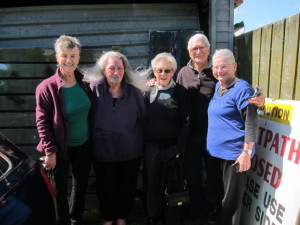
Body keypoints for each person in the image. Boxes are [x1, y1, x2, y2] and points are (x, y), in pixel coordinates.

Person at [175, 33, 264, 224]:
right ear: (188, 52)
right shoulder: (185, 73)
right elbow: (176, 96)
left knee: (218, 184)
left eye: (202, 47)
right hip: (195, 138)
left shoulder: (223, 77)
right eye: (194, 48)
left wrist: (260, 102)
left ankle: (213, 212)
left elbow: (246, 106)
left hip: (219, 141)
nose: (198, 51)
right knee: (197, 177)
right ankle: (199, 210)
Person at [84, 51, 148, 225]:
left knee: (126, 188)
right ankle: (107, 218)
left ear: (125, 71)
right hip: (103, 152)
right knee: (106, 188)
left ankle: (121, 218)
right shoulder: (93, 89)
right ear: (104, 70)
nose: (116, 72)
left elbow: (143, 118)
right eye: (111, 68)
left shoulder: (135, 93)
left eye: (119, 68)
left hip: (130, 152)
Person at [35, 35, 92, 225]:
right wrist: (50, 151)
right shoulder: (47, 87)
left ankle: (75, 219)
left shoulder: (85, 84)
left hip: (83, 144)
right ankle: (63, 221)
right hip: (60, 147)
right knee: (59, 189)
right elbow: (42, 122)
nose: (69, 60)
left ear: (78, 58)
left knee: (80, 185)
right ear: (57, 58)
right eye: (65, 56)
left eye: (73, 56)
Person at [206, 49, 258, 225]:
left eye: (224, 66)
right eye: (216, 67)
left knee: (231, 202)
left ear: (234, 66)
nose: (219, 71)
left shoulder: (242, 88)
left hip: (234, 156)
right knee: (219, 195)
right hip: (215, 154)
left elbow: (251, 120)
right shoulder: (217, 86)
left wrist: (246, 152)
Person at [144, 53, 191, 225]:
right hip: (151, 147)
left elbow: (187, 122)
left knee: (172, 183)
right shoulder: (147, 90)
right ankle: (152, 216)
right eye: (159, 70)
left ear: (173, 71)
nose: (163, 74)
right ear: (154, 72)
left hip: (173, 148)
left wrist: (179, 149)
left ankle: (170, 217)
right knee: (152, 183)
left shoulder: (181, 93)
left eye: (167, 70)